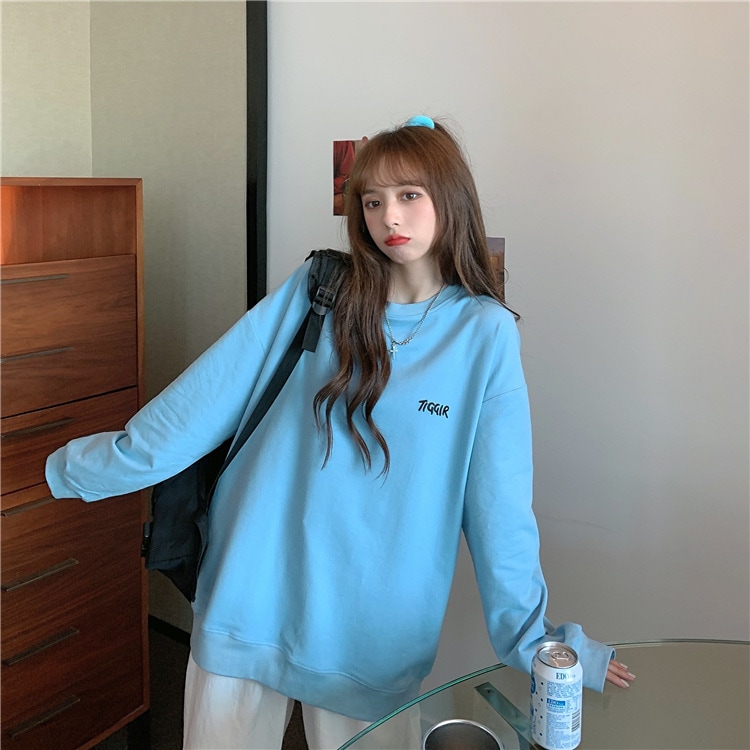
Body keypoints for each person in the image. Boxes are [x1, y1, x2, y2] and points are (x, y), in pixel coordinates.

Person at [46, 115, 635, 750]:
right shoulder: (321, 291)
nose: (389, 216)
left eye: (409, 194)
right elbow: (202, 400)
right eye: (372, 201)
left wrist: (536, 642)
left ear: (451, 198)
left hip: (372, 629)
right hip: (253, 588)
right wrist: (77, 467)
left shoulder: (483, 334)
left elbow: (499, 506)